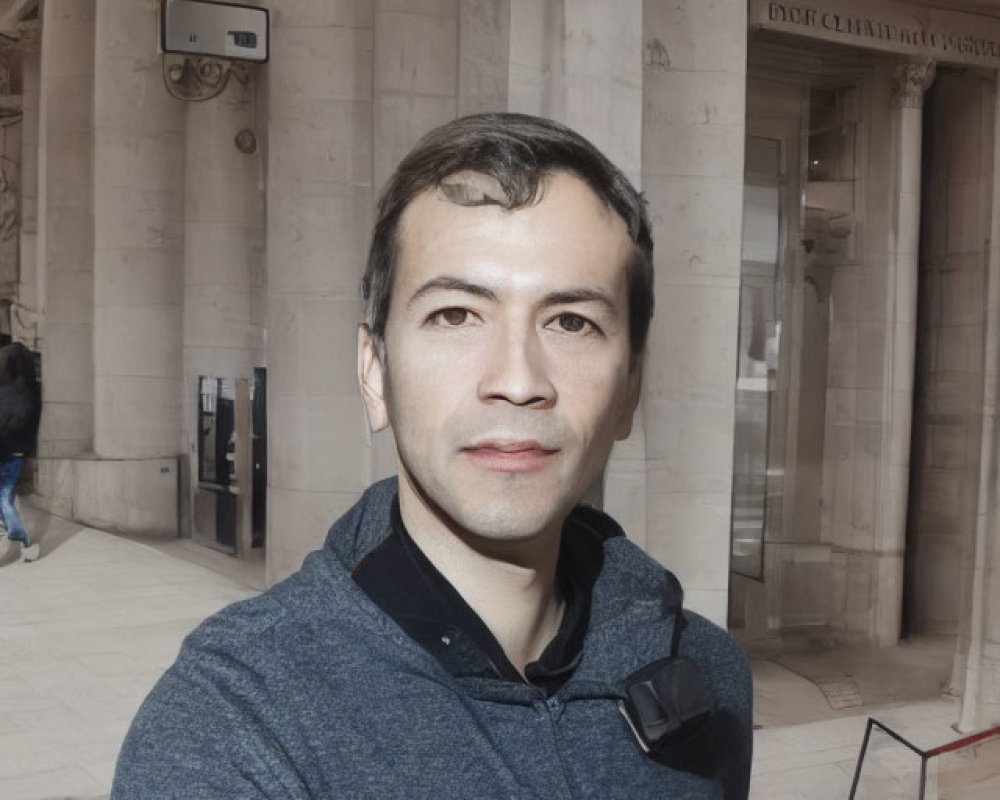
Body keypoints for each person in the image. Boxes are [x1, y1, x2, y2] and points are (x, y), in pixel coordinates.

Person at [112, 113, 753, 798]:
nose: (516, 379)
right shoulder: (234, 725)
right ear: (374, 371)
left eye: (571, 322)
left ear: (630, 391)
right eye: (455, 315)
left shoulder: (706, 674)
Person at [0, 341, 41, 563]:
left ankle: (19, 538)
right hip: (16, 452)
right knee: (5, 497)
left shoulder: (2, 389)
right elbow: (31, 424)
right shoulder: (31, 391)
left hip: (4, 449)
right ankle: (23, 542)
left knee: (4, 498)